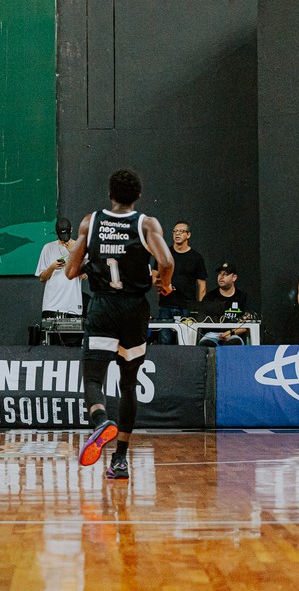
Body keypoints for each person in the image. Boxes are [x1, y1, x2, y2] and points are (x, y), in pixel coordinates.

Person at [65, 168, 174, 481]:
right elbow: (166, 262)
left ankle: (100, 420)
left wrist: (87, 263)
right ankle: (121, 459)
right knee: (128, 383)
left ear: (110, 195)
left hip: (103, 308)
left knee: (93, 377)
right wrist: (163, 285)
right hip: (135, 310)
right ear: (137, 196)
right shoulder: (146, 224)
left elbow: (71, 271)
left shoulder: (91, 222)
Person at [151, 221, 206, 343]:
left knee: (186, 343)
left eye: (181, 231)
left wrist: (199, 309)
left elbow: (202, 286)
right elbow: (154, 278)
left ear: (188, 235)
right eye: (175, 231)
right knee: (165, 343)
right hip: (166, 306)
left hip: (187, 307)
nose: (177, 234)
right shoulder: (164, 254)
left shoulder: (196, 257)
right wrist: (163, 284)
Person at [36, 217, 85, 318]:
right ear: (56, 233)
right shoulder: (48, 248)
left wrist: (73, 254)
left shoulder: (80, 247)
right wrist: (52, 267)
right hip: (51, 304)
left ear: (71, 230)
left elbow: (84, 276)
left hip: (72, 305)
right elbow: (42, 278)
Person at [197, 262, 250, 346]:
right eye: (219, 274)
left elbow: (248, 323)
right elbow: (199, 318)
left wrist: (231, 333)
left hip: (233, 334)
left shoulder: (242, 297)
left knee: (234, 343)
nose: (221, 277)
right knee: (206, 344)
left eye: (225, 274)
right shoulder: (210, 297)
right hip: (212, 334)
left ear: (234, 277)